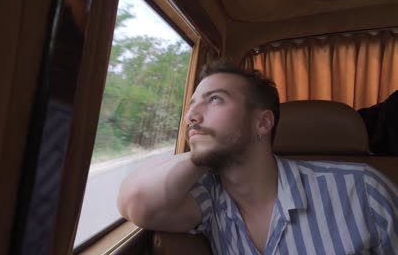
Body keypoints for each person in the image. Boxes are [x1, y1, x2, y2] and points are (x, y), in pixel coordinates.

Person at [117, 59, 398, 254]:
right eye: (192, 106)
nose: (191, 116)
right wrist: (198, 155)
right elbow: (136, 203)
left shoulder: (361, 189)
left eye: (215, 99)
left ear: (262, 123)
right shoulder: (210, 200)